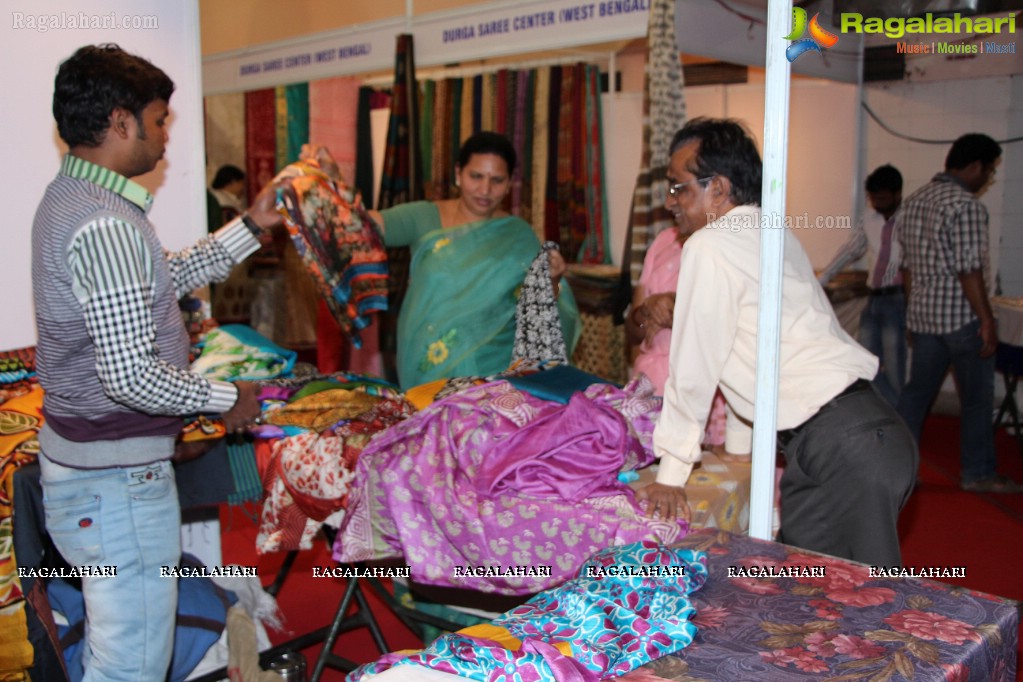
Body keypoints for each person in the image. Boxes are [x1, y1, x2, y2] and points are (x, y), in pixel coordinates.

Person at [31, 44, 276, 680]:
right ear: (121, 123)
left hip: (96, 476)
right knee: (133, 663)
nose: (167, 134)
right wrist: (226, 398)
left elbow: (156, 282)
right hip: (117, 485)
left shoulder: (75, 199)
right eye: (160, 118)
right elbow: (130, 376)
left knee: (126, 647)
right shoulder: (105, 224)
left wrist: (249, 225)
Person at [639, 117, 917, 566]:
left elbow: (696, 363)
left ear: (719, 188)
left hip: (840, 444)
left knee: (847, 605)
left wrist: (672, 472)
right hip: (858, 435)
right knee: (814, 594)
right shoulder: (772, 232)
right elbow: (751, 346)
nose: (670, 201)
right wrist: (739, 450)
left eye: (679, 187)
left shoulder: (709, 245)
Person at [305, 132, 580, 389]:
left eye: (497, 180)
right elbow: (360, 226)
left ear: (509, 183)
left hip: (491, 374)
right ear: (458, 174)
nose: (485, 190)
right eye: (476, 176)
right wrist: (332, 182)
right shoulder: (425, 217)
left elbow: (539, 313)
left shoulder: (518, 235)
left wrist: (552, 280)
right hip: (428, 365)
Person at [896, 134, 1022, 494]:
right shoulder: (965, 206)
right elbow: (969, 270)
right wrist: (986, 319)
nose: (989, 178)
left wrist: (911, 312)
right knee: (978, 400)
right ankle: (978, 472)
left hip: (923, 319)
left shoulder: (915, 201)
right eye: (990, 171)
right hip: (960, 320)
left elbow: (906, 268)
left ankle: (900, 468)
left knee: (916, 396)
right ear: (974, 166)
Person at [626, 225, 749, 458]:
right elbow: (633, 333)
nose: (670, 203)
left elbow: (736, 323)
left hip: (710, 395)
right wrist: (645, 310)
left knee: (715, 484)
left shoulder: (733, 244)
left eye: (679, 191)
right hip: (652, 395)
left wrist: (676, 308)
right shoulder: (664, 240)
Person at [819, 165, 907, 406]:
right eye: (873, 197)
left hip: (898, 299)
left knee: (895, 362)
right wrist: (823, 278)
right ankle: (880, 410)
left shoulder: (910, 218)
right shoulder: (869, 217)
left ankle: (902, 417)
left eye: (883, 197)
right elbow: (851, 250)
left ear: (897, 194)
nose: (876, 202)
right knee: (866, 361)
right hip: (874, 297)